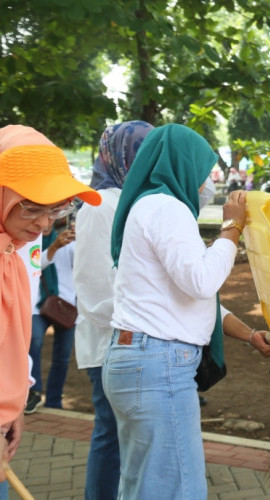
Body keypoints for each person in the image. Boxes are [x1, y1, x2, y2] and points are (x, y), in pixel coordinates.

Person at [102, 123, 270, 498]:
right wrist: (232, 227)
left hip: (143, 361)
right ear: (182, 164)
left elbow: (190, 298)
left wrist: (249, 335)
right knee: (176, 489)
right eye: (203, 170)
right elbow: (201, 281)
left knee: (148, 487)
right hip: (157, 366)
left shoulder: (149, 205)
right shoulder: (165, 207)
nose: (206, 183)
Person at [0, 124, 100, 497]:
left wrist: (16, 402)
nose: (44, 223)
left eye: (57, 209)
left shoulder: (17, 245)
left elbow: (16, 331)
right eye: (33, 208)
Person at [72, 120, 154, 500]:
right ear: (122, 155)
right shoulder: (99, 204)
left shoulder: (131, 200)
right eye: (142, 151)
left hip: (130, 337)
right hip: (110, 340)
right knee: (110, 433)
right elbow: (92, 291)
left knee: (127, 438)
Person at [26, 223, 77, 413]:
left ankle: (54, 400)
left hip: (66, 305)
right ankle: (34, 392)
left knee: (62, 357)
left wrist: (82, 240)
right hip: (38, 305)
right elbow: (35, 264)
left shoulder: (70, 241)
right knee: (34, 341)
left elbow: (84, 264)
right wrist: (54, 246)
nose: (46, 224)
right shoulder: (31, 241)